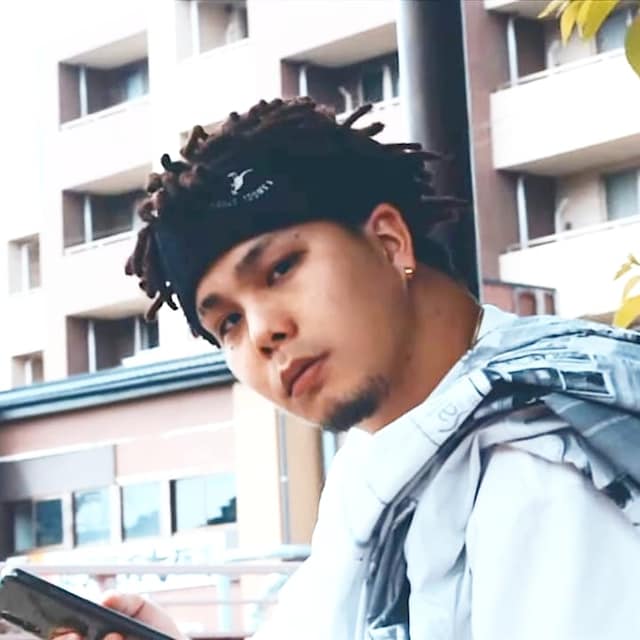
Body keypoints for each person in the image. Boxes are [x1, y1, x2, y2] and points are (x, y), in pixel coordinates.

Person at [60, 97, 640, 640]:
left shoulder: (543, 466)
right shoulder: (377, 471)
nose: (262, 333)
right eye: (228, 322)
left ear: (389, 242)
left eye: (281, 268)